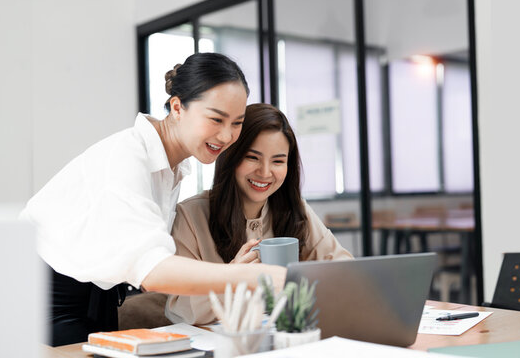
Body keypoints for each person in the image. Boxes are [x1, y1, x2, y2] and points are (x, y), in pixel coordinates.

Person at [20, 53, 286, 346]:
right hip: (39, 300)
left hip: (99, 298)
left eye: (237, 123)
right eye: (216, 119)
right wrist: (249, 276)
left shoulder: (171, 168)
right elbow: (152, 270)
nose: (226, 135)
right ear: (177, 107)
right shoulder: (126, 157)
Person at [165, 103, 353, 325]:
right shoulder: (190, 215)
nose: (265, 172)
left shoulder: (296, 209)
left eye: (278, 161)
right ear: (232, 157)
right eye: (253, 157)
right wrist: (231, 278)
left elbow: (346, 272)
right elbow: (180, 309)